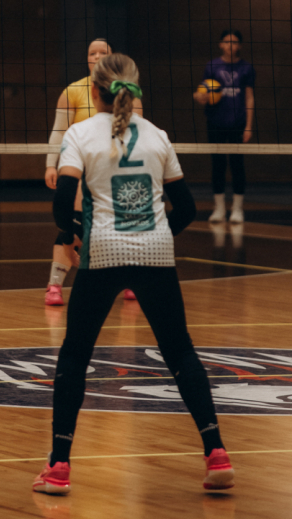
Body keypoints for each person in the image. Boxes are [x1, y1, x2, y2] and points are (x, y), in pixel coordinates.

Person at [33, 53, 234, 495]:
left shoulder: (80, 134)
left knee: (75, 356)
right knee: (180, 352)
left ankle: (59, 466)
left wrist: (72, 236)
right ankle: (217, 453)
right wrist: (155, 233)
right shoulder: (158, 136)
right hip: (156, 254)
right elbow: (188, 208)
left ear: (95, 90)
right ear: (135, 88)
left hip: (103, 251)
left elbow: (62, 200)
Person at [44, 39, 142, 306]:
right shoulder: (73, 91)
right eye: (92, 53)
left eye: (103, 52)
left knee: (122, 223)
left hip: (117, 168)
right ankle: (55, 284)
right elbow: (58, 132)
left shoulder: (129, 93)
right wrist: (51, 164)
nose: (97, 56)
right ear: (87, 59)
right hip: (82, 168)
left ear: (112, 57)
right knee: (73, 222)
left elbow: (139, 131)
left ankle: (129, 280)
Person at [193, 29, 255, 224]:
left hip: (237, 123)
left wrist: (248, 126)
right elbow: (203, 93)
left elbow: (249, 97)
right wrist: (200, 97)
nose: (230, 45)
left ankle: (237, 209)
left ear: (239, 46)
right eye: (227, 41)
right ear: (221, 44)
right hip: (215, 122)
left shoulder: (246, 68)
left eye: (234, 42)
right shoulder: (212, 66)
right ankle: (219, 208)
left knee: (237, 165)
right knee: (218, 165)